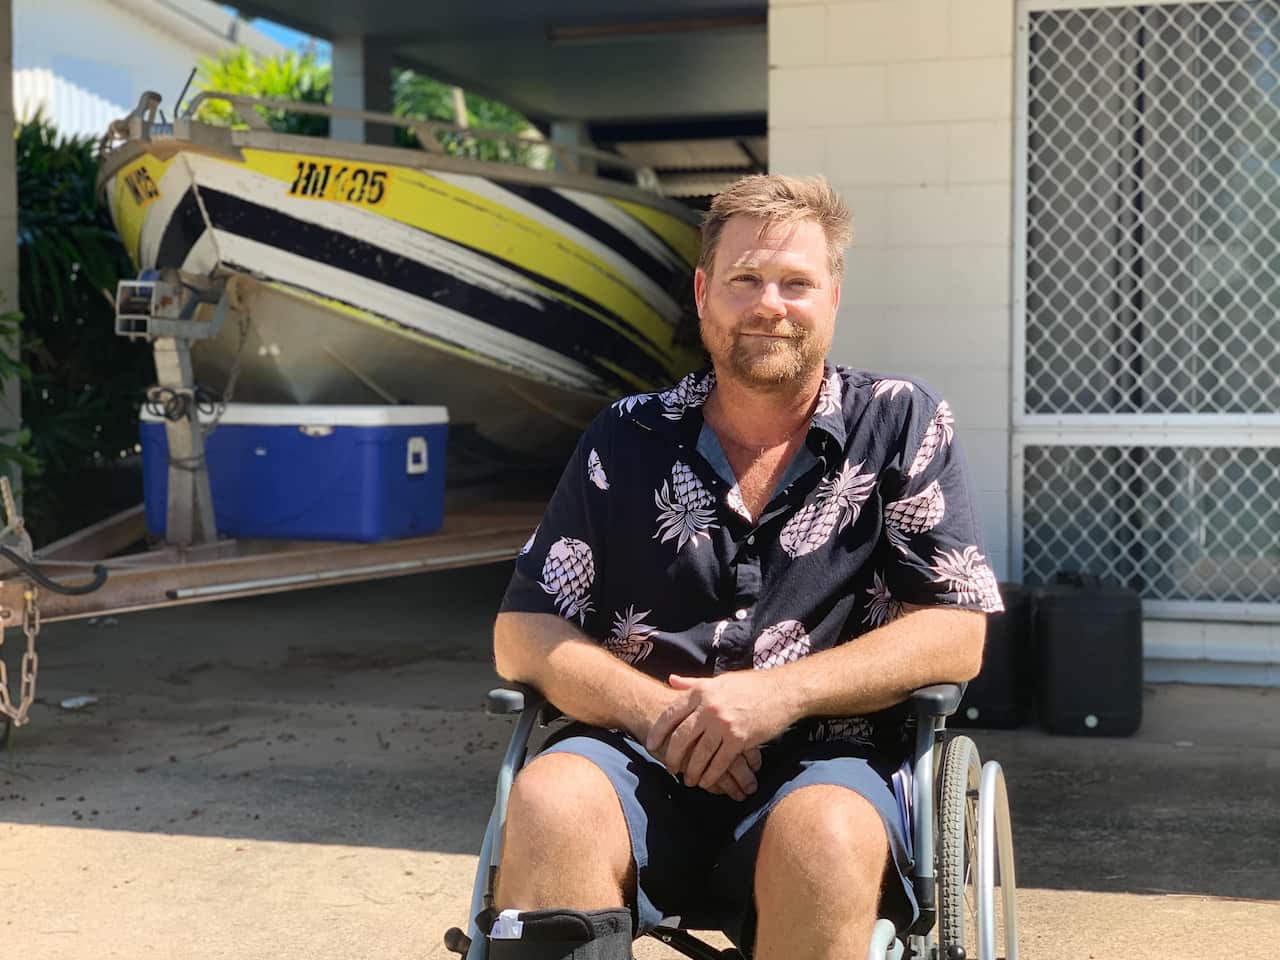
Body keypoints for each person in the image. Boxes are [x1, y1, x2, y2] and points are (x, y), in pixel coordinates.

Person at [490, 174, 1002, 960]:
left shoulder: (900, 421)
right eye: (745, 280)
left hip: (834, 759)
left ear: (832, 297)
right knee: (551, 800)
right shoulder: (625, 438)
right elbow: (523, 630)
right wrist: (655, 714)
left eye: (796, 282)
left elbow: (954, 634)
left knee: (824, 835)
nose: (771, 303)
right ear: (703, 294)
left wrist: (776, 696)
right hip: (636, 757)